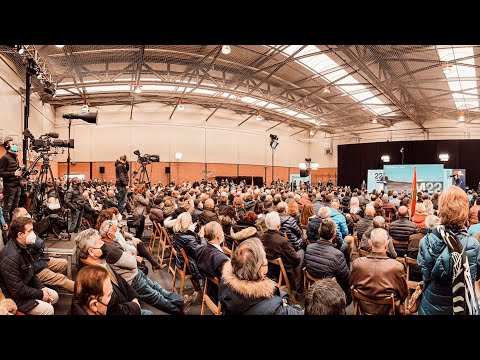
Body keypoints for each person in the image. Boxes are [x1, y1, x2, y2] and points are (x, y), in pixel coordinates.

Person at [418, 186, 480, 315]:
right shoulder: (473, 244)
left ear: (441, 210)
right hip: (463, 307)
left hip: (431, 305)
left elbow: (425, 274)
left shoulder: (426, 241)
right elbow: (476, 276)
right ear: (465, 210)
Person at [75, 229, 151, 315]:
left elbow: (120, 280)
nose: (104, 244)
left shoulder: (100, 262)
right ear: (91, 252)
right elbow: (111, 309)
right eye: (100, 242)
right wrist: (134, 306)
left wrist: (134, 297)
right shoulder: (91, 278)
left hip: (126, 303)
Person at [218, 237, 302, 315]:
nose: (266, 261)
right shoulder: (274, 309)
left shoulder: (225, 283)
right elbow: (298, 313)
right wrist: (286, 302)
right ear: (260, 271)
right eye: (265, 258)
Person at [0, 217, 59, 315]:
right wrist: (41, 294)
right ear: (20, 235)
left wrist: (41, 288)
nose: (34, 234)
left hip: (26, 287)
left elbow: (31, 273)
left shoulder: (24, 247)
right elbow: (17, 291)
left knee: (54, 296)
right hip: (16, 298)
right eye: (30, 231)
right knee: (49, 309)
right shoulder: (11, 256)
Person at [11, 207, 75, 293]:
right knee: (61, 279)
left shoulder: (28, 229)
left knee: (64, 263)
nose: (28, 215)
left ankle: (58, 285)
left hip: (40, 259)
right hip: (35, 267)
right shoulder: (20, 238)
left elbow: (36, 249)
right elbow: (29, 258)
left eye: (27, 213)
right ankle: (82, 292)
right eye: (25, 214)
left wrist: (48, 255)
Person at [350, 228, 408, 315]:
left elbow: (351, 284)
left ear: (369, 243)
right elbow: (404, 294)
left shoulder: (357, 264)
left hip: (363, 309)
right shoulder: (397, 267)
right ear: (387, 244)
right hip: (387, 311)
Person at [305, 218, 351, 305]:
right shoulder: (338, 254)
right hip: (330, 293)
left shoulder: (309, 247)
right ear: (334, 234)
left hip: (314, 289)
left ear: (319, 232)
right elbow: (346, 279)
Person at [195, 221, 230, 304]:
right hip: (219, 296)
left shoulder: (199, 248)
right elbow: (228, 285)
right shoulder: (222, 259)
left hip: (209, 290)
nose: (223, 234)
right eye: (221, 231)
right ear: (217, 235)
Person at [0, 138, 22, 223]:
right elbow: (0, 172)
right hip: (9, 187)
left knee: (15, 208)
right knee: (7, 208)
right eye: (12, 144)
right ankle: (5, 227)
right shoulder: (4, 158)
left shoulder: (15, 157)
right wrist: (13, 173)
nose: (15, 145)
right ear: (7, 147)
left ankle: (14, 226)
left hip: (17, 186)